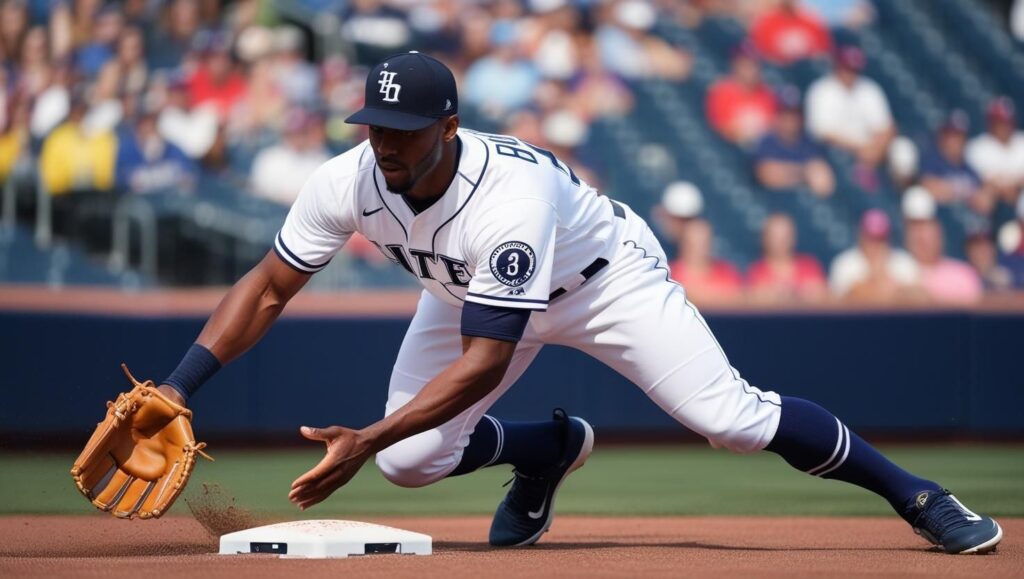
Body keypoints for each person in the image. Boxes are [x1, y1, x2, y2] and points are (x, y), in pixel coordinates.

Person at [115, 53, 998, 554]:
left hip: (604, 280)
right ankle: (549, 449)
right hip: (472, 293)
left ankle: (917, 495)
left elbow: (488, 358)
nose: (383, 143)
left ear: (448, 128)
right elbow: (269, 284)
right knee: (410, 465)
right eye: (373, 126)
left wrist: (366, 434)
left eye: (403, 130)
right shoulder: (350, 180)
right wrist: (183, 383)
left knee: (728, 418)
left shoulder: (508, 198)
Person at [805, 45, 894, 179]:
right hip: (837, 151)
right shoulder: (821, 90)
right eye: (847, 68)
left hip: (872, 149)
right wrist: (860, 149)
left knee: (902, 151)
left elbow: (887, 127)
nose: (850, 73)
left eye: (854, 70)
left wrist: (875, 150)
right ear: (837, 67)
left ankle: (903, 191)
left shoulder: (869, 89)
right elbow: (822, 132)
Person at [901, 187, 983, 305]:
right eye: (915, 228)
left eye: (926, 228)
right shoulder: (895, 272)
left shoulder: (963, 275)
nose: (921, 236)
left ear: (939, 233)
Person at [753, 86, 834, 196]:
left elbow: (824, 184)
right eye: (786, 114)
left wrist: (785, 172)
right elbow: (768, 176)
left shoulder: (809, 143)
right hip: (772, 203)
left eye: (794, 115)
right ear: (777, 116)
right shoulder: (767, 142)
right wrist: (805, 173)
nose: (790, 120)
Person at [828, 208, 922, 302]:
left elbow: (918, 298)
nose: (875, 245)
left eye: (880, 239)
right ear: (861, 236)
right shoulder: (845, 264)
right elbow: (838, 302)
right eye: (871, 238)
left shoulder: (904, 262)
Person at [919, 110, 995, 215]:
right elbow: (929, 189)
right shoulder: (931, 161)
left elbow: (986, 203)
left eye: (958, 136)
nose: (953, 141)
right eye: (950, 136)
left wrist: (954, 192)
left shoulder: (969, 168)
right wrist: (967, 194)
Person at [705, 41, 777, 146]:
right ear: (735, 65)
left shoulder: (768, 93)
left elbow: (773, 128)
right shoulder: (721, 93)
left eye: (754, 65)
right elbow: (722, 131)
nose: (751, 70)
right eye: (745, 65)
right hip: (731, 150)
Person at [747, 213, 828, 304]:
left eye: (785, 236)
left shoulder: (809, 266)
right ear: (765, 239)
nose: (781, 241)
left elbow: (822, 296)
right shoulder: (756, 270)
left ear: (793, 237)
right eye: (775, 236)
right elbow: (756, 299)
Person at [667, 218, 745, 306]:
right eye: (694, 243)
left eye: (705, 241)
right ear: (684, 244)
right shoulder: (669, 274)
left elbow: (740, 299)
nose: (700, 248)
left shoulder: (727, 271)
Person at [965, 97, 1024, 208]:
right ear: (991, 122)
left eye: (1007, 121)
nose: (1004, 126)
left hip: (1021, 195)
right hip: (995, 202)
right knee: (983, 196)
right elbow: (989, 182)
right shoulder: (978, 147)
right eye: (999, 122)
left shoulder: (1021, 140)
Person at [749, 0, 832, 65]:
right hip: (779, 68)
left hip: (806, 66)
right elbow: (759, 52)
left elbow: (823, 50)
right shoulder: (765, 23)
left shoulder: (811, 21)